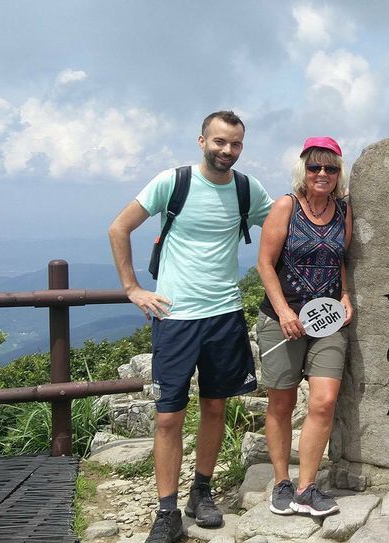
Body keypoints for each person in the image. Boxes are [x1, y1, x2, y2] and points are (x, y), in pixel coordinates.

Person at [108, 111, 273, 543]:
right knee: (169, 417)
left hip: (224, 314)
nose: (227, 151)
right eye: (219, 142)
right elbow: (119, 226)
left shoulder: (246, 188)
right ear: (202, 140)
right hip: (175, 317)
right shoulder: (173, 182)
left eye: (235, 144)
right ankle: (166, 511)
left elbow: (282, 224)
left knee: (216, 407)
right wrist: (132, 288)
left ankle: (201, 492)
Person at [256, 136, 353, 517]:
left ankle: (307, 486)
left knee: (324, 400)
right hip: (284, 319)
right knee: (281, 400)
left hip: (327, 319)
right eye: (315, 167)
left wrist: (345, 294)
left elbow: (342, 257)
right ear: (303, 169)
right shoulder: (286, 206)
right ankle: (281, 481)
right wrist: (282, 311)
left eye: (331, 168)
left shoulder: (343, 210)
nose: (323, 174)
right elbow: (265, 263)